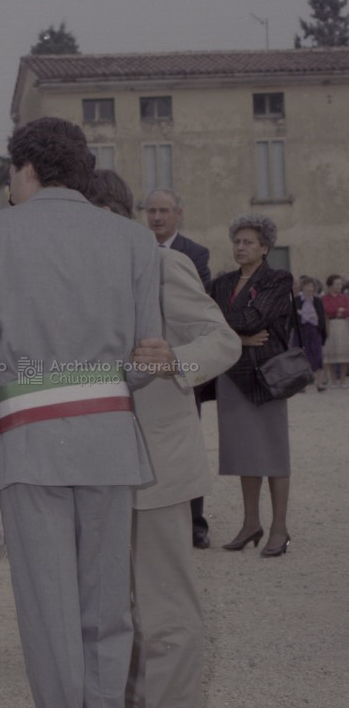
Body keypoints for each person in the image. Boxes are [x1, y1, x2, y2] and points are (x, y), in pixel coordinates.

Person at [0, 118, 161, 708]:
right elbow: (147, 359)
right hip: (108, 442)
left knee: (50, 619)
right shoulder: (133, 241)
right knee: (106, 618)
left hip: (29, 445)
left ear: (26, 170)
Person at [89, 170, 241, 708]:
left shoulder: (161, 264)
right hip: (98, 466)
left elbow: (222, 340)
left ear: (114, 214)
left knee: (166, 606)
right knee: (114, 601)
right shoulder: (75, 278)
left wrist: (173, 359)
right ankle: (130, 705)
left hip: (159, 467)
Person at [210, 213, 294, 557]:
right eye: (237, 241)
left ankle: (279, 527)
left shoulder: (278, 279)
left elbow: (254, 317)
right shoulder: (221, 283)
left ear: (265, 248)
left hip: (267, 378)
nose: (240, 247)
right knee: (245, 453)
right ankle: (250, 523)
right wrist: (240, 340)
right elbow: (209, 319)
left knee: (273, 454)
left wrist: (224, 327)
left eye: (248, 242)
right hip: (233, 376)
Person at [144, 187, 212, 549]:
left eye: (164, 211)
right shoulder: (134, 248)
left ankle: (195, 522)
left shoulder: (195, 254)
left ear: (178, 214)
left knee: (187, 445)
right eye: (151, 210)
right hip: (141, 362)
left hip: (179, 363)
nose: (156, 217)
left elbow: (197, 304)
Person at [295, 276, 328, 392]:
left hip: (315, 332)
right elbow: (293, 317)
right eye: (307, 285)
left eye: (312, 286)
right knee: (303, 356)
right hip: (302, 332)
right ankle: (302, 385)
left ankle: (320, 383)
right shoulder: (297, 300)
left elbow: (322, 318)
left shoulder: (317, 300)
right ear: (302, 287)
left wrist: (323, 334)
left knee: (318, 356)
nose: (310, 288)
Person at [322, 274, 349, 387]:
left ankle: (342, 379)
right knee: (330, 352)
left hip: (342, 325)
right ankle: (333, 380)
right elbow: (326, 309)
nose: (340, 286)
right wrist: (337, 310)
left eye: (340, 283)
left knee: (344, 351)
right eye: (337, 284)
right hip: (330, 325)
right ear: (330, 285)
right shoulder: (325, 298)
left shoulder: (344, 297)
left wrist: (340, 312)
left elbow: (348, 309)